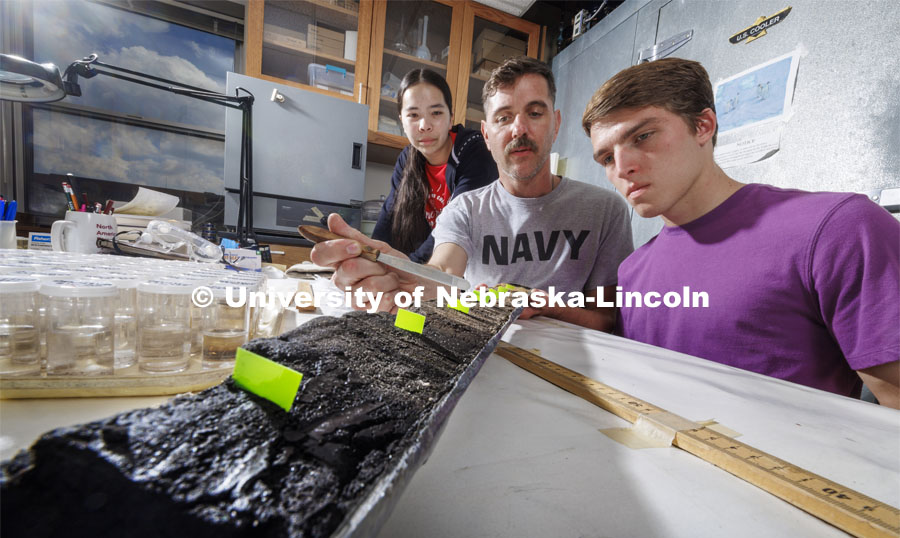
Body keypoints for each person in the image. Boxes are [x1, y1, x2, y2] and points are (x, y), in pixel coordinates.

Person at [581, 58, 899, 407]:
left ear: (703, 126)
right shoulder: (632, 273)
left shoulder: (839, 230)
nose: (624, 167)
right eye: (607, 159)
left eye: (642, 136)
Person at [312, 56, 633, 331]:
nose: (519, 129)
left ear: (556, 123)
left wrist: (547, 306)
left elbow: (607, 320)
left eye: (535, 113)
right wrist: (408, 276)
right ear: (487, 134)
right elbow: (445, 270)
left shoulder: (605, 210)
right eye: (504, 117)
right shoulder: (464, 209)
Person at [372, 69, 498, 264]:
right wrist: (372, 258)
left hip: (473, 272)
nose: (424, 125)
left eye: (436, 112)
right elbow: (388, 218)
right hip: (430, 271)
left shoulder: (475, 152)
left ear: (451, 117)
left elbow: (454, 225)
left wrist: (406, 268)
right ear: (402, 121)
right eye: (413, 115)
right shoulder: (407, 159)